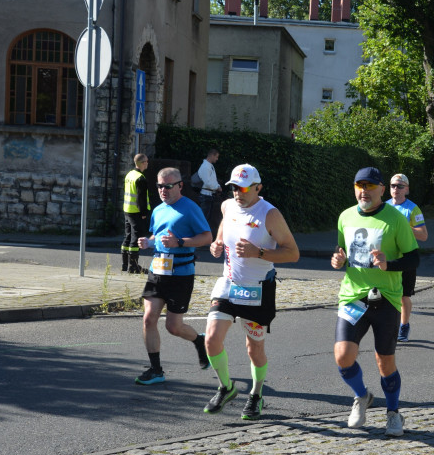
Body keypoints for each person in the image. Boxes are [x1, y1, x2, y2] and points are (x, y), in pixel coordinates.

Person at [203, 164, 300, 419]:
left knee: (253, 349)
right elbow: (224, 229)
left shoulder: (270, 215)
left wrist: (259, 252)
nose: (238, 193)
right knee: (211, 339)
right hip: (228, 283)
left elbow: (293, 252)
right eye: (234, 187)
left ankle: (256, 393)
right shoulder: (227, 206)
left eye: (244, 188)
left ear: (258, 187)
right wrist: (217, 243)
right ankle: (226, 387)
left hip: (257, 289)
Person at [331, 167, 420, 436]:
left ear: (382, 189)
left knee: (385, 362)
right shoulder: (345, 216)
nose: (364, 191)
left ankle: (393, 413)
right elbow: (341, 251)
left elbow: (413, 259)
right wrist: (338, 260)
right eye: (359, 185)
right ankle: (361, 396)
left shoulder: (395, 219)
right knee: (343, 356)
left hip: (387, 300)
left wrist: (388, 264)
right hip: (353, 296)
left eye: (370, 186)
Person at [134, 167, 213, 386]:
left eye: (168, 186)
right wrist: (148, 242)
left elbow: (207, 237)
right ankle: (156, 370)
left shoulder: (190, 208)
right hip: (157, 270)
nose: (163, 190)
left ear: (180, 185)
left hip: (181, 274)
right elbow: (156, 235)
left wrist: (180, 242)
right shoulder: (158, 210)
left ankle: (199, 341)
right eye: (159, 186)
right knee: (148, 318)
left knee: (173, 327)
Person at [387, 173, 428, 342]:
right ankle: (389, 326)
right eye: (393, 185)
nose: (396, 189)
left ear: (407, 189)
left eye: (400, 186)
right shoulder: (384, 207)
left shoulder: (413, 209)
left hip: (406, 256)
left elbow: (424, 235)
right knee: (386, 294)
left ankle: (404, 326)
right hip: (388, 256)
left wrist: (405, 227)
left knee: (404, 296)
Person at [121, 153, 151, 274]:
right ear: (142, 163)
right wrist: (143, 213)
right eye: (147, 161)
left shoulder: (129, 175)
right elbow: (141, 198)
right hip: (136, 211)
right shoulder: (140, 178)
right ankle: (133, 266)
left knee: (127, 236)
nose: (148, 163)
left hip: (127, 209)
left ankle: (124, 264)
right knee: (136, 237)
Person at [196, 148, 223, 221]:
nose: (217, 159)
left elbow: (212, 180)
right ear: (212, 155)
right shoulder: (205, 166)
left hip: (209, 195)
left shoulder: (209, 166)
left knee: (206, 218)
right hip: (205, 195)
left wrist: (218, 186)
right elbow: (207, 182)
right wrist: (217, 187)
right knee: (203, 219)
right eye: (216, 157)